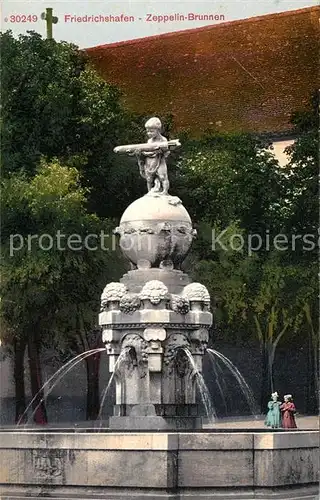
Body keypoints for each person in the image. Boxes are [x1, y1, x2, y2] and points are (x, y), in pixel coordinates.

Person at [135, 117, 170, 195]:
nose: (149, 133)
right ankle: (150, 192)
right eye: (148, 131)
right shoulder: (149, 141)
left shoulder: (163, 140)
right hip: (150, 161)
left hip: (160, 160)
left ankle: (165, 191)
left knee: (162, 176)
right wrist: (141, 153)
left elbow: (167, 152)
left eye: (151, 131)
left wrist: (160, 151)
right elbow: (147, 151)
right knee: (149, 179)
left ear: (158, 130)